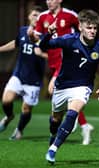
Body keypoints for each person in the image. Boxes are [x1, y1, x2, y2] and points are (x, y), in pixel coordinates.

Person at [37, 9, 99, 164]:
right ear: (80, 27)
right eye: (89, 27)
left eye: (94, 28)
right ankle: (54, 135)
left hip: (83, 87)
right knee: (55, 120)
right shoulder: (68, 40)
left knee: (73, 113)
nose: (92, 31)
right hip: (62, 86)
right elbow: (44, 46)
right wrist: (48, 33)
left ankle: (53, 150)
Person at [31, 0, 94, 145]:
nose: (49, 2)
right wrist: (31, 36)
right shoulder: (42, 17)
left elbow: (84, 30)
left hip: (66, 62)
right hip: (53, 62)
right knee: (65, 97)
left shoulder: (70, 15)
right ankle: (83, 125)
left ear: (59, 0)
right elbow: (37, 38)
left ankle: (72, 123)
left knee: (53, 90)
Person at [0, 6, 46, 140]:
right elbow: (15, 43)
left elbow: (53, 55)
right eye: (34, 15)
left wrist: (42, 54)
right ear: (29, 17)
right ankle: (9, 117)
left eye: (39, 15)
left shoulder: (45, 36)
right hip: (19, 75)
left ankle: (19, 130)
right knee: (6, 100)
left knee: (26, 109)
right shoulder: (23, 31)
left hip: (34, 80)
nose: (36, 18)